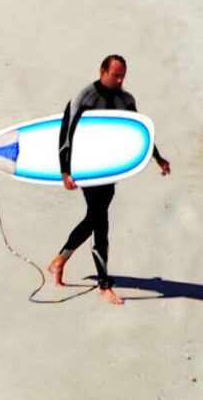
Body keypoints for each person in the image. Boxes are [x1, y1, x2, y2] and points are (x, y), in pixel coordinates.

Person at [51, 53, 170, 302]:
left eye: (122, 76)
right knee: (100, 220)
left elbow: (140, 134)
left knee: (94, 217)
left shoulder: (125, 100)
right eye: (115, 75)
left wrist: (157, 158)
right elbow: (66, 133)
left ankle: (60, 260)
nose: (119, 80)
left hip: (110, 169)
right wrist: (65, 171)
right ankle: (104, 284)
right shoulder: (85, 97)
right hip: (86, 166)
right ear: (102, 71)